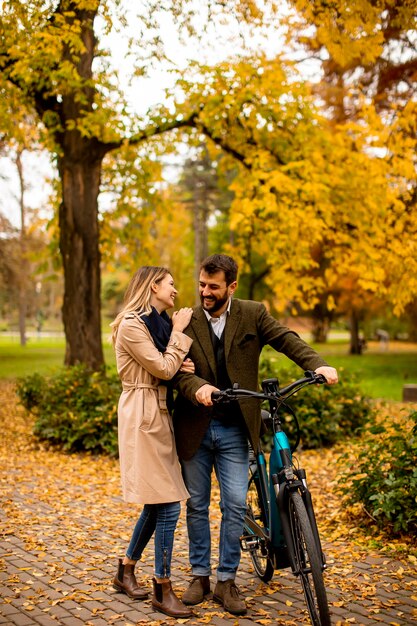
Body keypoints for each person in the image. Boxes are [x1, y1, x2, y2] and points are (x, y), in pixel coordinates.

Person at [172, 254, 338, 616]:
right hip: (195, 427)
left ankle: (226, 580)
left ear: (231, 286)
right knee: (196, 505)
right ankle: (199, 575)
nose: (205, 292)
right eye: (202, 284)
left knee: (234, 504)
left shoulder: (252, 313)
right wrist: (197, 386)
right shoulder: (185, 321)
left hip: (235, 428)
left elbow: (286, 339)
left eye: (213, 287)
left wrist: (317, 364)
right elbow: (175, 370)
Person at [110, 266, 195, 619]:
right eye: (170, 284)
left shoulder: (153, 325)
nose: (175, 290)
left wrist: (177, 361)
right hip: (143, 414)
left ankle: (125, 570)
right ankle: (162, 587)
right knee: (169, 504)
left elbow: (167, 365)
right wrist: (177, 337)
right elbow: (162, 367)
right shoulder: (132, 324)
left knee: (157, 503)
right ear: (153, 286)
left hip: (157, 412)